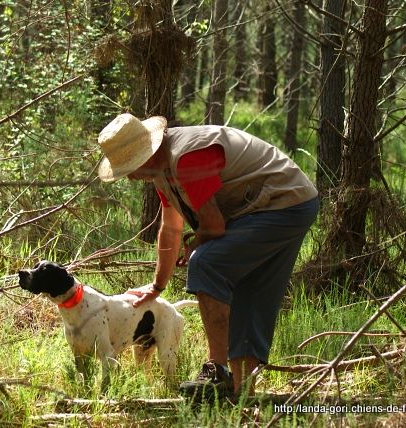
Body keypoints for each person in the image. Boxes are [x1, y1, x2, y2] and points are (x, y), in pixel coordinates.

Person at [96, 113, 319, 402]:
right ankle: (244, 393)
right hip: (274, 205)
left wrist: (195, 244)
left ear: (145, 156)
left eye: (128, 167)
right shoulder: (162, 170)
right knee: (248, 289)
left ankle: (218, 372)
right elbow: (171, 227)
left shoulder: (187, 159)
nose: (129, 175)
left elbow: (213, 226)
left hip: (284, 203)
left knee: (206, 262)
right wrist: (157, 287)